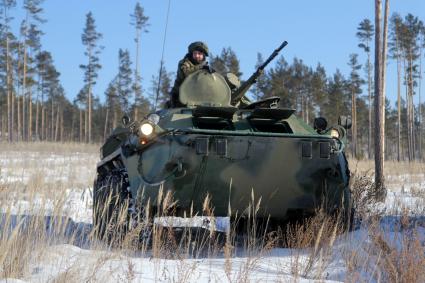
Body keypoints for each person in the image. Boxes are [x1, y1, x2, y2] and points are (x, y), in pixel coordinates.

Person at [170, 41, 210, 107]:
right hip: (180, 98)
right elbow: (187, 73)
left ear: (203, 55)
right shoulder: (184, 63)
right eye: (195, 53)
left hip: (199, 99)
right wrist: (201, 67)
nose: (197, 56)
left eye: (199, 53)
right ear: (192, 54)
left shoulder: (205, 67)